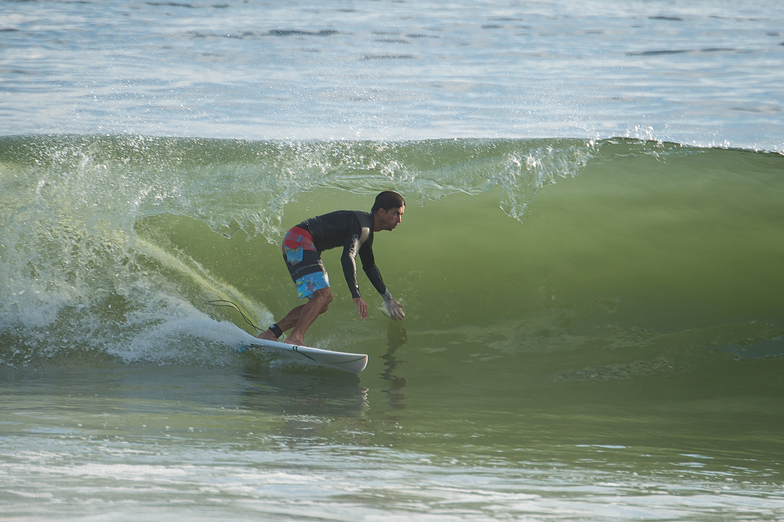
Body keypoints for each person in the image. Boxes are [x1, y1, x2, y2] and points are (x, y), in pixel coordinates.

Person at [257, 191, 406, 346]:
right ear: (381, 212)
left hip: (295, 240)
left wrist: (387, 298)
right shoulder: (362, 226)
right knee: (323, 296)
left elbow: (369, 266)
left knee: (323, 302)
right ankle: (295, 338)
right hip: (300, 239)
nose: (399, 220)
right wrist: (356, 294)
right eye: (396, 214)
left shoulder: (365, 230)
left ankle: (271, 333)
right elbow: (348, 257)